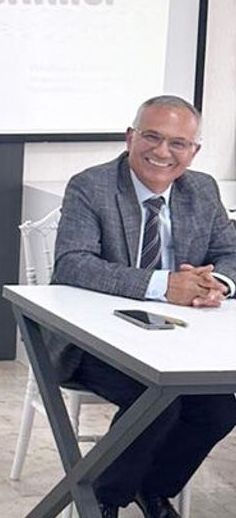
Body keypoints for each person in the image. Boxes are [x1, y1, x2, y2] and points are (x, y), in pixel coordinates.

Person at [52, 94, 236, 518]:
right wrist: (163, 286)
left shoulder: (202, 189)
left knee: (219, 408)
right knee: (157, 401)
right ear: (130, 137)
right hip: (94, 341)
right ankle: (103, 500)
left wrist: (216, 285)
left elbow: (230, 252)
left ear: (193, 151)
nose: (162, 151)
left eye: (178, 143)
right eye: (152, 137)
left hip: (179, 340)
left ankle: (152, 489)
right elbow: (72, 264)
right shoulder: (91, 186)